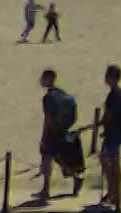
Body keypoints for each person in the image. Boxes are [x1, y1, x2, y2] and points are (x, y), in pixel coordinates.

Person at [36, 68, 85, 200]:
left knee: (49, 158)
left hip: (53, 133)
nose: (41, 80)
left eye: (43, 78)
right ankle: (74, 180)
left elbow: (48, 119)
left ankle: (46, 190)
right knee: (59, 159)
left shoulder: (48, 98)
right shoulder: (64, 94)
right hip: (64, 131)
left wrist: (44, 135)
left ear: (49, 79)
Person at [99, 64, 121, 206]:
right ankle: (113, 192)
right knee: (111, 161)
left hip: (113, 133)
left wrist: (101, 124)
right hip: (117, 133)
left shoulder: (114, 95)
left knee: (109, 161)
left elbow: (109, 115)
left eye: (107, 75)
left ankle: (114, 192)